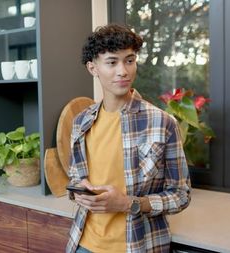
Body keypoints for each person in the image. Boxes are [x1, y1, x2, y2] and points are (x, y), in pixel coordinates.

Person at [66, 24, 191, 253]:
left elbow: (181, 196)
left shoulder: (163, 123)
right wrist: (77, 190)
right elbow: (75, 178)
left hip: (138, 246)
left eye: (130, 60)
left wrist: (129, 204)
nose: (123, 71)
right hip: (83, 243)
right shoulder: (80, 122)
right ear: (93, 68)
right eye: (112, 62)